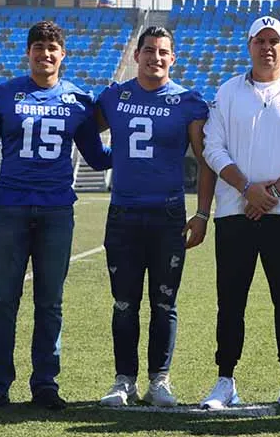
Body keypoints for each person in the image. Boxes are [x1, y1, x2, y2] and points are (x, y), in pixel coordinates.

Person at [0, 20, 111, 411]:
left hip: (56, 210)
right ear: (27, 53)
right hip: (10, 209)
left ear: (63, 55)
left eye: (52, 48)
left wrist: (138, 150)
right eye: (38, 47)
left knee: (50, 302)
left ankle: (45, 383)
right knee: (4, 301)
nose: (45, 54)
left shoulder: (78, 100)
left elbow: (97, 158)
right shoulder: (3, 95)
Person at [200, 16, 280, 410]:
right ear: (249, 46)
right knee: (231, 299)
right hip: (235, 211)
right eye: (260, 41)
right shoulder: (228, 91)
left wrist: (271, 190)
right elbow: (213, 149)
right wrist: (247, 189)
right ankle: (225, 380)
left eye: (275, 41)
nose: (267, 47)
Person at [94, 26, 217, 408]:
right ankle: (124, 380)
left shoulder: (188, 102)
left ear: (172, 58)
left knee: (165, 302)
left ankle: (159, 380)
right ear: (137, 55)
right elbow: (82, 130)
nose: (155, 58)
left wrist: (201, 213)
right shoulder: (115, 96)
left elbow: (205, 160)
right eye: (149, 51)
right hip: (124, 212)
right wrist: (101, 160)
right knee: (124, 302)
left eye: (163, 52)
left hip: (167, 214)